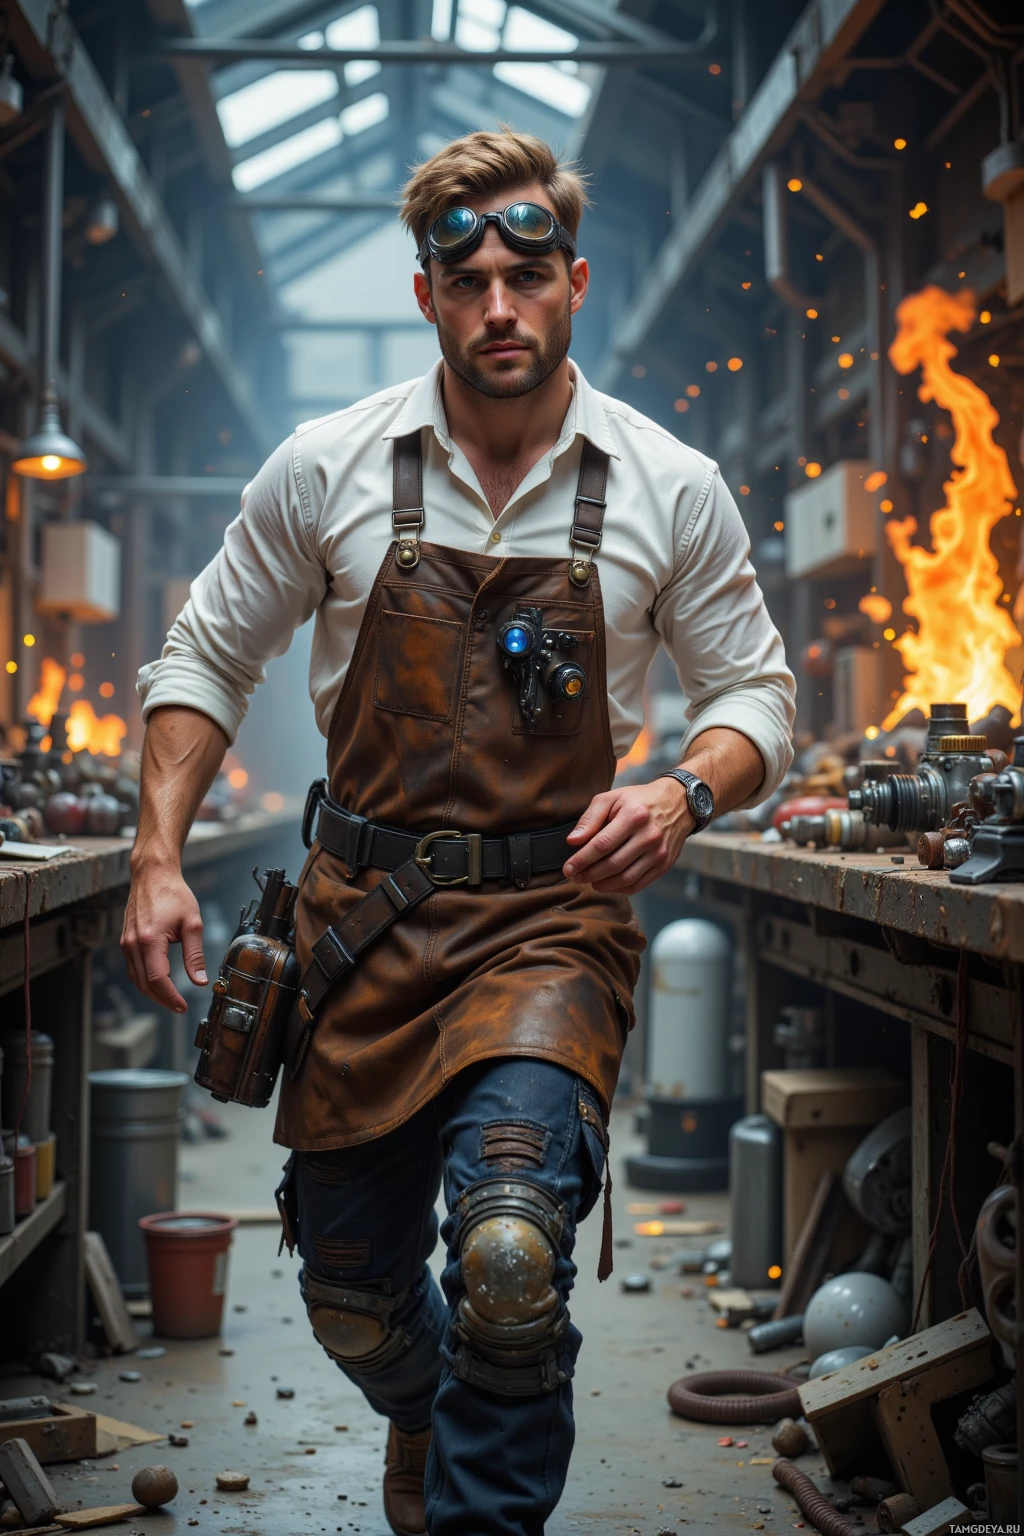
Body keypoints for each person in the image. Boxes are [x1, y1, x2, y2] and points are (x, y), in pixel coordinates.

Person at [124, 128, 795, 1536]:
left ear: (575, 283)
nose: (501, 306)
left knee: (509, 1254)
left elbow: (755, 693)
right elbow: (205, 657)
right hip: (360, 925)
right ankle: (426, 1410)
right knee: (352, 1296)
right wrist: (156, 855)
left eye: (527, 276)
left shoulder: (667, 483)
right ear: (425, 293)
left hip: (549, 926)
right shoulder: (326, 467)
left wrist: (684, 790)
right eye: (468, 280)